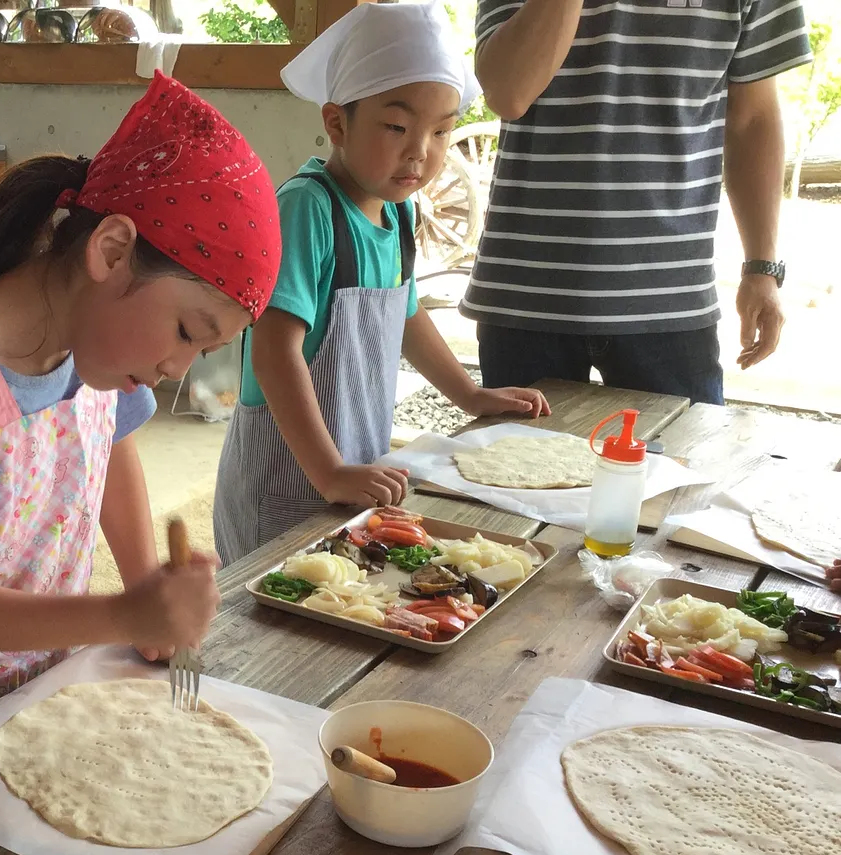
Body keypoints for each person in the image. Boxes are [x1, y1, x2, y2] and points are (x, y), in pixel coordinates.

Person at [0, 75, 281, 762]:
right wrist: (119, 613)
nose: (180, 368)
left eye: (206, 351)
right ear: (110, 251)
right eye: (184, 330)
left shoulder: (95, 352)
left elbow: (112, 451)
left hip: (41, 685)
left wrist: (147, 589)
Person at [212, 1, 548, 565]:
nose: (421, 150)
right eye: (396, 126)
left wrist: (469, 394)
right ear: (337, 122)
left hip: (349, 472)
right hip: (288, 481)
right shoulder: (307, 209)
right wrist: (329, 470)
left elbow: (408, 314)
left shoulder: (397, 216)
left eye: (442, 131)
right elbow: (273, 353)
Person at [463, 0, 812, 404]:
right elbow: (508, 92)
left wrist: (762, 269)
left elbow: (752, 119)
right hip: (525, 295)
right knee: (509, 465)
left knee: (680, 464)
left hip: (671, 299)